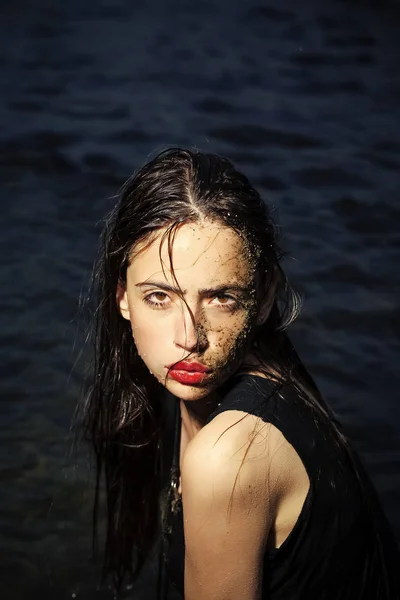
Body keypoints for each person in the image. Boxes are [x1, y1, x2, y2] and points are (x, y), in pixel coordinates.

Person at [80, 147, 400, 599]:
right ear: (122, 297)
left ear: (264, 297)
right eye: (159, 297)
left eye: (221, 297)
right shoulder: (264, 383)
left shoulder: (231, 455)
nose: (189, 337)